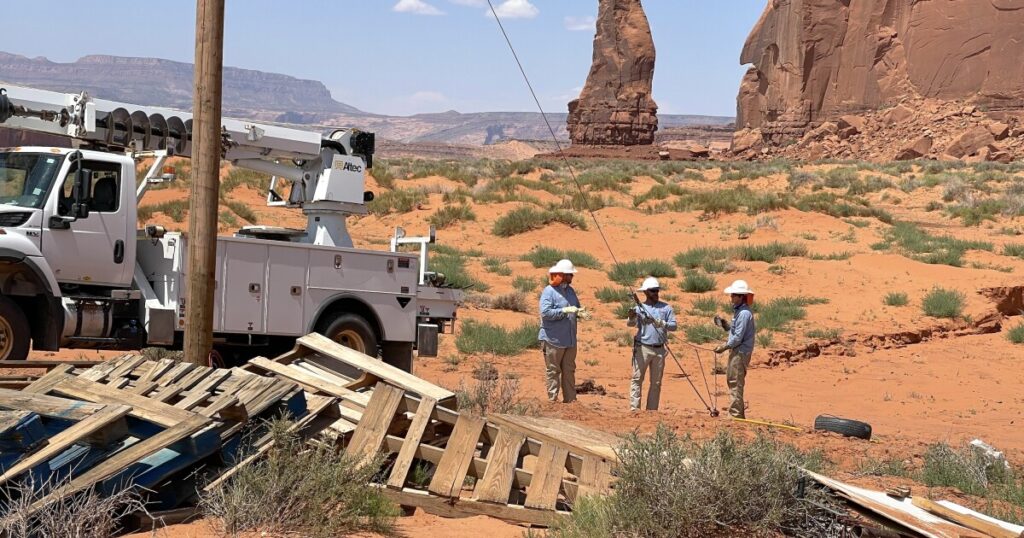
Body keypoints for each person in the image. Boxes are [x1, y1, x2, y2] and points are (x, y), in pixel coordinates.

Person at [538, 259, 587, 403]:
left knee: (569, 370)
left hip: (570, 339)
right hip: (553, 339)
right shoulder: (549, 291)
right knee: (553, 370)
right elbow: (545, 312)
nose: (572, 277)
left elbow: (576, 307)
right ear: (562, 275)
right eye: (570, 274)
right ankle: (552, 400)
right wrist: (564, 311)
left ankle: (570, 401)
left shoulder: (570, 291)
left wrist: (580, 312)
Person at [627, 277, 677, 411]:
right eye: (653, 291)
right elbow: (630, 324)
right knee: (637, 379)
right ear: (646, 292)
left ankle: (652, 411)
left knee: (656, 382)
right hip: (643, 347)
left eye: (657, 291)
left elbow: (674, 326)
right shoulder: (639, 308)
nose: (656, 293)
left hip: (659, 349)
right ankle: (634, 409)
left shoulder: (666, 308)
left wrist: (662, 323)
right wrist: (632, 316)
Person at [714, 280, 756, 418]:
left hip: (740, 353)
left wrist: (724, 347)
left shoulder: (744, 313)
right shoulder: (740, 312)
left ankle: (735, 416)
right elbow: (735, 331)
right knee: (733, 381)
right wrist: (725, 325)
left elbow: (738, 337)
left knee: (735, 383)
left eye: (733, 295)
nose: (731, 298)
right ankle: (738, 415)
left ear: (740, 296)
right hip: (737, 352)